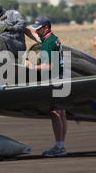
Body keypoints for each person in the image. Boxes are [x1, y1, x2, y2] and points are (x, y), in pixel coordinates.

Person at [25, 16, 67, 157]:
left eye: (39, 28)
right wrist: (24, 30)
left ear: (47, 28)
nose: (36, 31)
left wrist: (31, 66)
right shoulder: (52, 38)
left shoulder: (48, 42)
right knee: (61, 112)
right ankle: (61, 145)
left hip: (53, 79)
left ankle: (59, 146)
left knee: (54, 112)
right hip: (61, 77)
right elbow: (36, 38)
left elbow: (49, 65)